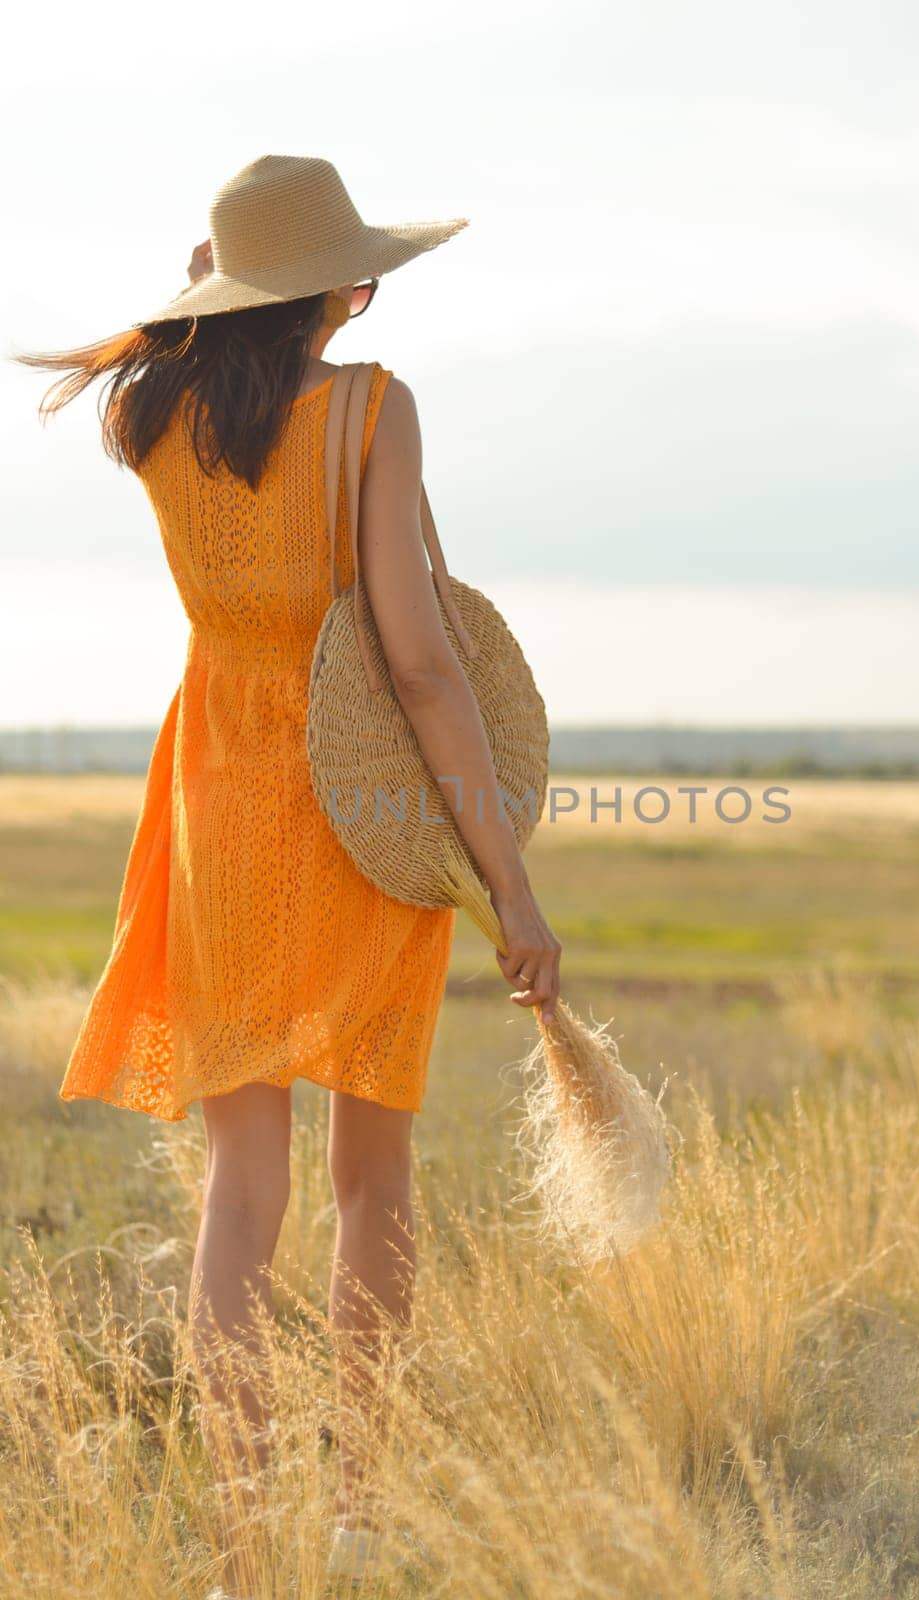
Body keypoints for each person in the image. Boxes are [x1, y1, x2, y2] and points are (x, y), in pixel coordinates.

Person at [20, 154, 561, 1600]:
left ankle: (240, 1540)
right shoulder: (374, 409)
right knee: (371, 1175)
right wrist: (509, 884)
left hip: (212, 787)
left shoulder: (151, 416)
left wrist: (208, 283)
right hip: (354, 793)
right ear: (353, 286)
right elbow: (422, 663)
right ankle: (360, 1511)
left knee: (237, 1188)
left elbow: (214, 340)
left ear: (218, 283)